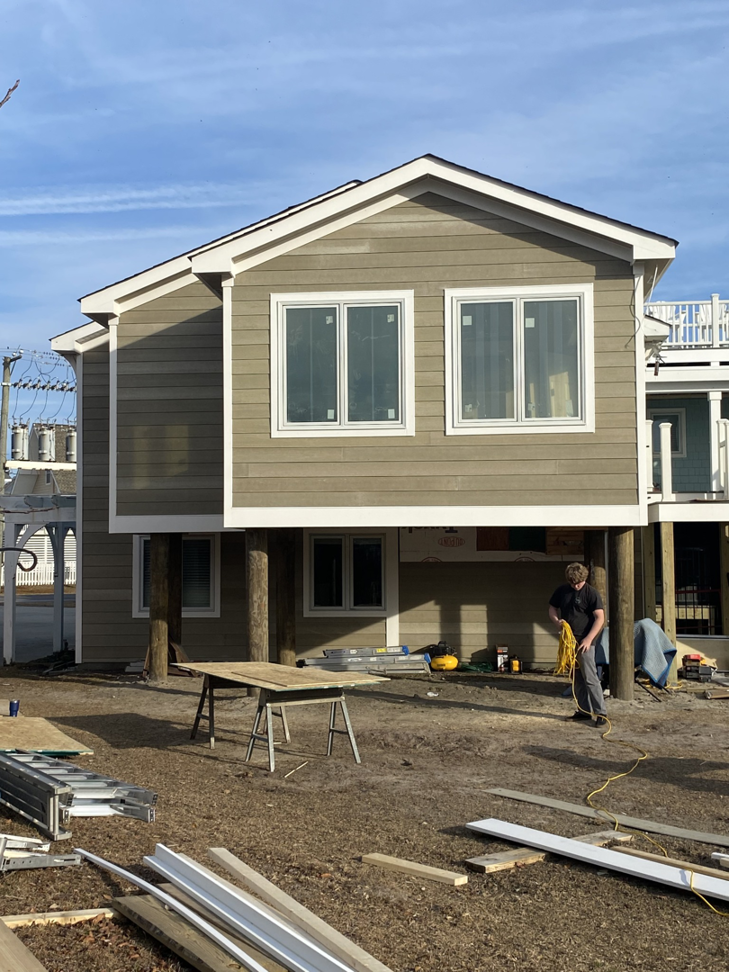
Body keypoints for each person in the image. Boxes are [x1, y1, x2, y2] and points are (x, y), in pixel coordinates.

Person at [549, 563, 607, 726]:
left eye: (578, 583)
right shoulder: (562, 591)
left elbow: (600, 618)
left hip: (585, 641)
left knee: (590, 677)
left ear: (584, 579)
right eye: (572, 583)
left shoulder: (591, 593)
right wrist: (557, 622)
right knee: (577, 678)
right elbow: (552, 608)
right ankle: (584, 711)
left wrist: (588, 639)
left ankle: (601, 712)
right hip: (569, 641)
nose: (575, 586)